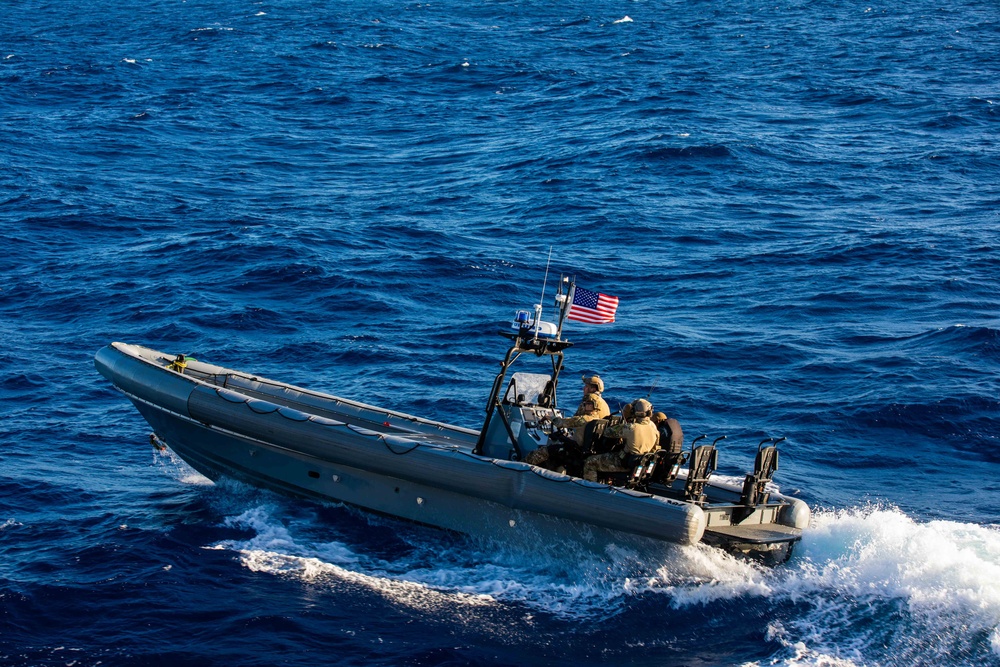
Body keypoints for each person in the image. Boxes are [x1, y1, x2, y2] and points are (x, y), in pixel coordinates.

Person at [583, 398, 660, 482]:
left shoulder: (631, 427)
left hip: (625, 463)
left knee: (590, 462)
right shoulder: (653, 426)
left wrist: (624, 422)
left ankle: (591, 487)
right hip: (642, 463)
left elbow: (608, 432)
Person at [524, 398, 601, 469]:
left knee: (542, 451)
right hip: (585, 451)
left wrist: (549, 417)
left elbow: (560, 423)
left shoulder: (583, 419)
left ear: (592, 406)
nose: (584, 406)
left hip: (574, 451)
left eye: (586, 404)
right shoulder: (599, 420)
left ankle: (520, 466)